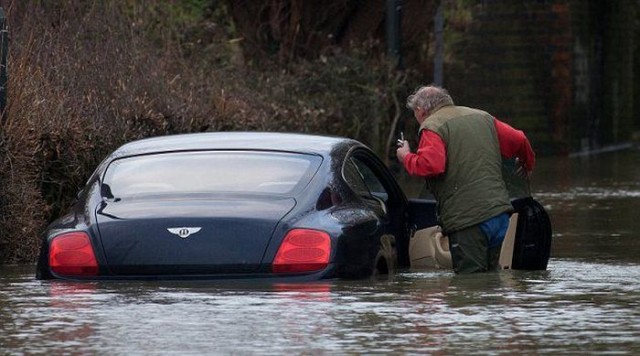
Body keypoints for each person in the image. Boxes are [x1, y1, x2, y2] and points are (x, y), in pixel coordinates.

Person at [396, 85, 535, 273]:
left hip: (469, 221)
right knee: (490, 279)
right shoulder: (483, 117)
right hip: (500, 215)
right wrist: (527, 163)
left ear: (420, 111)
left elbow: (431, 165)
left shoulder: (432, 126)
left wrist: (406, 156)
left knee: (469, 285)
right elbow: (519, 139)